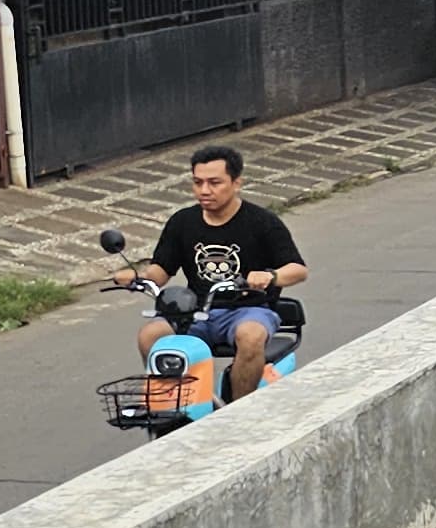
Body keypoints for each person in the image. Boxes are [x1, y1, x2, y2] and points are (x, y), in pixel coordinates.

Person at [123, 143, 307, 402]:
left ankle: (237, 412)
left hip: (250, 309)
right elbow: (161, 271)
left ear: (236, 183)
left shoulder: (262, 222)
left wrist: (270, 276)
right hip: (196, 312)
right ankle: (173, 405)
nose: (204, 191)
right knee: (150, 335)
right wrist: (138, 277)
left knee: (251, 336)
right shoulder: (182, 222)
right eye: (197, 183)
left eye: (214, 183)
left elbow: (297, 269)